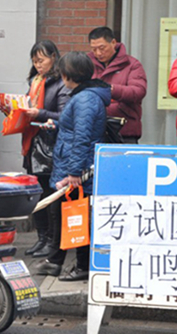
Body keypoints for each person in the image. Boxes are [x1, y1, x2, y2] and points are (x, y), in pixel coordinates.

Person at [35, 51, 110, 281]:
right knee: (64, 213)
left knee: (77, 217)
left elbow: (83, 136)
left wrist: (75, 172)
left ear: (68, 75)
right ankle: (56, 261)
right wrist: (56, 125)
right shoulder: (83, 96)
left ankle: (82, 265)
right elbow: (74, 129)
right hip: (71, 164)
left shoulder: (85, 99)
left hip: (78, 169)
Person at [8, 40, 71, 259]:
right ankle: (42, 238)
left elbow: (64, 117)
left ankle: (52, 241)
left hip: (50, 148)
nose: (38, 65)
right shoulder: (36, 81)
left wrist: (40, 113)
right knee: (36, 195)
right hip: (33, 144)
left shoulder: (61, 83)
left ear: (54, 57)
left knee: (49, 195)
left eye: (41, 60)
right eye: (34, 61)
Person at [87, 27, 147, 143]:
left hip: (124, 131)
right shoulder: (88, 64)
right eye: (94, 49)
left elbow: (139, 91)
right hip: (94, 131)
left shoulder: (132, 65)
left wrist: (111, 90)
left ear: (113, 43)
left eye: (102, 48)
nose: (98, 53)